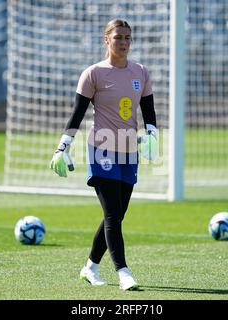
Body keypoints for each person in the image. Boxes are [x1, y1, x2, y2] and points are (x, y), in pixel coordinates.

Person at [50, 19, 158, 291]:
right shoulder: (93, 74)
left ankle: (90, 267)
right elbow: (77, 114)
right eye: (118, 37)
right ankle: (124, 272)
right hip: (102, 148)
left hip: (129, 149)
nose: (123, 42)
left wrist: (153, 135)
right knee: (112, 214)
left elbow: (149, 111)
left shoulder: (141, 72)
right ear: (106, 39)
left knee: (118, 214)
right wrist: (63, 147)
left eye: (128, 38)